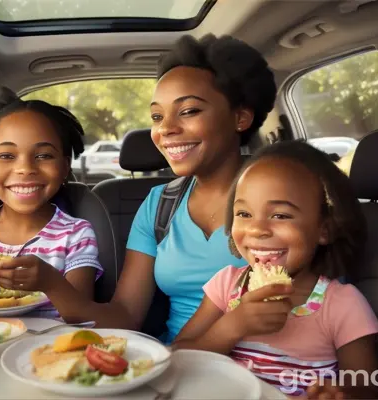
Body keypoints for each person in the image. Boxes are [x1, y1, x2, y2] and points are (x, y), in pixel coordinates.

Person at [25, 34, 277, 339]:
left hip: (273, 369)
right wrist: (52, 283)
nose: (165, 129)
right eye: (157, 116)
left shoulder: (283, 198)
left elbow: (319, 306)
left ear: (240, 117)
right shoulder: (159, 206)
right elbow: (125, 316)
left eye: (188, 111)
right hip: (181, 366)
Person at [173, 141, 378, 399]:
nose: (256, 229)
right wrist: (232, 326)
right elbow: (176, 357)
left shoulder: (342, 304)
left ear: (324, 229)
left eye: (280, 215)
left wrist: (341, 394)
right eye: (243, 213)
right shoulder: (227, 286)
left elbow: (371, 388)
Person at [0, 97, 103, 319]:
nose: (25, 169)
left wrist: (51, 282)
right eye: (6, 156)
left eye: (43, 155)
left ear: (64, 168)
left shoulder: (76, 235)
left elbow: (83, 317)